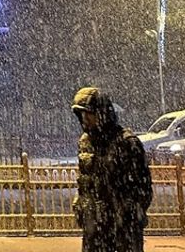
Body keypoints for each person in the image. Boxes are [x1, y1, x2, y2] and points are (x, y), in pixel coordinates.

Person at [71, 87, 152, 252]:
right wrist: (82, 206)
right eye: (81, 114)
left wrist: (126, 213)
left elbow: (143, 188)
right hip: (95, 229)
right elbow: (85, 183)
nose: (85, 118)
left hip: (123, 232)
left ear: (101, 113)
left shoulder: (127, 143)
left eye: (89, 113)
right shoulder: (86, 142)